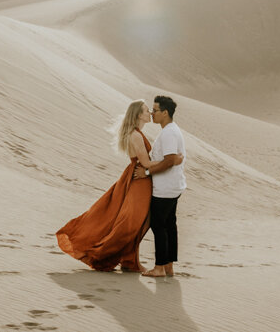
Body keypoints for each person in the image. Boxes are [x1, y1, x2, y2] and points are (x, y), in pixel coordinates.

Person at [56, 99, 182, 272]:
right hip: (140, 180)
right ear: (138, 114)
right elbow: (145, 162)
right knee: (132, 223)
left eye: (152, 110)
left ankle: (130, 260)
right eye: (147, 110)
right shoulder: (136, 135)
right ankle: (110, 255)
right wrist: (172, 160)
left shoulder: (137, 132)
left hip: (140, 179)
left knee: (139, 222)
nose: (150, 113)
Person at [142, 95, 186, 278]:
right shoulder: (171, 130)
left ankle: (159, 267)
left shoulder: (169, 133)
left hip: (165, 188)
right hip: (173, 186)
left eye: (155, 110)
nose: (152, 113)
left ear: (165, 112)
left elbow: (169, 161)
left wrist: (147, 173)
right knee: (169, 225)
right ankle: (168, 266)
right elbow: (174, 159)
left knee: (158, 225)